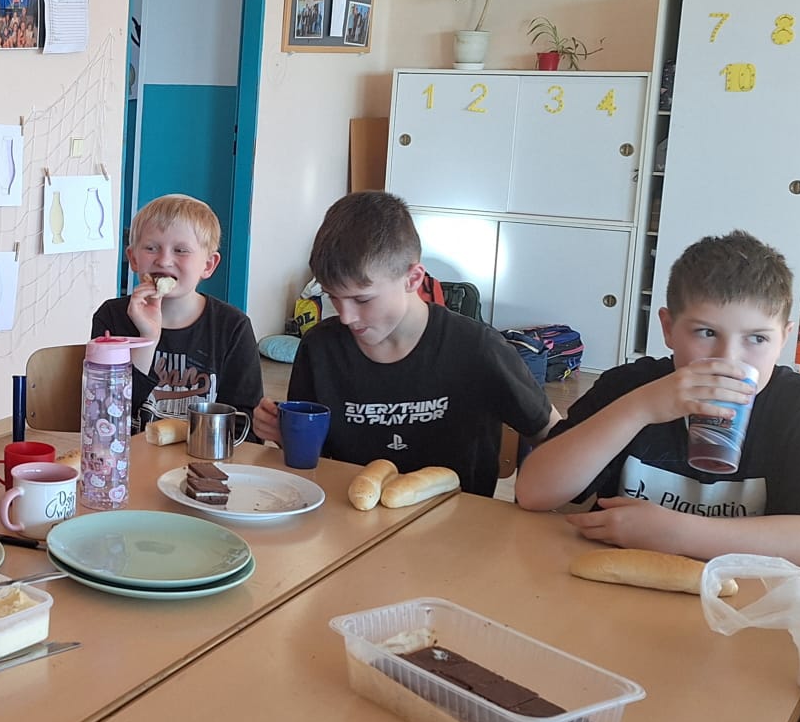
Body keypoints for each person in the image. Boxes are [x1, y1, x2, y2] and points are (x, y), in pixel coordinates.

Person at [515, 231, 800, 570]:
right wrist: (640, 408)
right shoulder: (629, 388)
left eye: (757, 338)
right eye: (706, 333)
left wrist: (680, 534)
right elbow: (533, 492)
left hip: (747, 594)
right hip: (620, 583)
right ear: (668, 328)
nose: (728, 359)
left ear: (783, 339)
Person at [251, 191, 557, 496]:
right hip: (349, 512)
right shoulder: (320, 348)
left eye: (362, 299)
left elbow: (554, 437)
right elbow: (315, 460)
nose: (346, 317)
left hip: (459, 520)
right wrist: (284, 435)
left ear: (413, 279)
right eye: (334, 297)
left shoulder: (478, 349)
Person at [90, 194, 262, 431]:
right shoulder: (111, 317)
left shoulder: (233, 327)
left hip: (204, 452)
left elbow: (246, 426)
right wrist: (147, 338)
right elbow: (105, 415)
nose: (164, 260)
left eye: (181, 250)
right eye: (151, 248)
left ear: (208, 265)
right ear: (133, 258)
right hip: (128, 451)